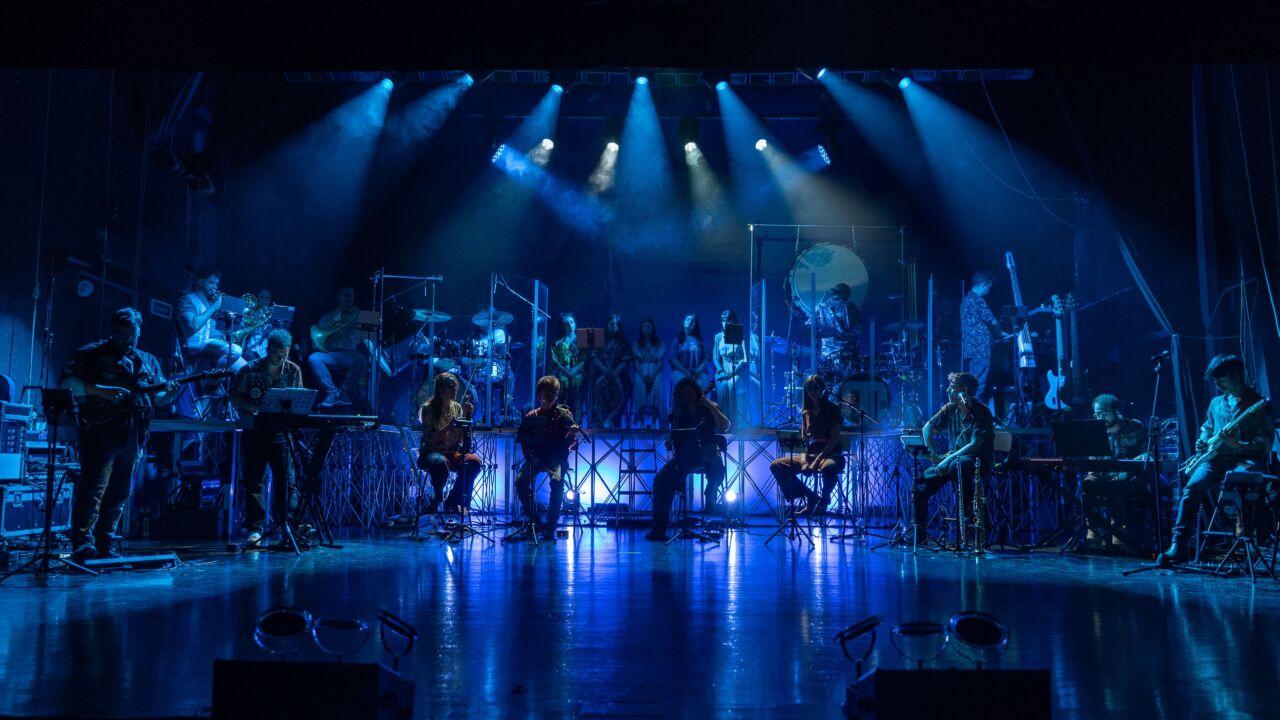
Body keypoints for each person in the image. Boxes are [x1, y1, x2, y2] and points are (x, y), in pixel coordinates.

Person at [60, 307, 178, 562]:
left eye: (132, 335)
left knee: (120, 492)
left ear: (139, 332)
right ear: (113, 331)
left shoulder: (148, 361)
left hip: (135, 433)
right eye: (122, 335)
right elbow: (67, 384)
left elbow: (157, 399)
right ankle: (82, 542)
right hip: (100, 431)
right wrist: (101, 390)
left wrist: (169, 394)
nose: (127, 341)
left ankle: (105, 541)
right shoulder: (90, 354)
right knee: (94, 488)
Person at [1161, 354, 1273, 564]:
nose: (1218, 385)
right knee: (1192, 488)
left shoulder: (1258, 404)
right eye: (1215, 381)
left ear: (1237, 375)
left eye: (1222, 380)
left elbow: (1265, 443)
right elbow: (1207, 427)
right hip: (1216, 459)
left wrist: (1239, 446)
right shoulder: (1216, 403)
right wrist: (1203, 439)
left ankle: (1244, 542)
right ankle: (1179, 544)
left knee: (1242, 481)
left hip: (1246, 459)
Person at [229, 329, 304, 545]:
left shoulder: (293, 370)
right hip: (255, 431)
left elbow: (298, 398)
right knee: (254, 481)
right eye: (276, 354)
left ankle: (287, 527)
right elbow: (233, 395)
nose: (280, 358)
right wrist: (253, 407)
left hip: (281, 432)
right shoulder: (250, 369)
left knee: (286, 481)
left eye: (284, 354)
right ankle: (255, 529)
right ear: (267, 350)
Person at [646, 377, 731, 540]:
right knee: (661, 480)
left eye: (690, 393)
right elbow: (674, 432)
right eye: (684, 394)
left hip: (708, 453)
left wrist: (708, 404)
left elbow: (725, 425)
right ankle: (659, 529)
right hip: (685, 456)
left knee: (716, 467)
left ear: (696, 393)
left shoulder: (708, 408)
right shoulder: (678, 413)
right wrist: (670, 439)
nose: (688, 397)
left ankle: (710, 496)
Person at [915, 372, 994, 540]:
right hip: (953, 459)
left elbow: (975, 444)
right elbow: (927, 428)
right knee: (921, 481)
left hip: (976, 459)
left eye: (952, 387)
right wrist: (932, 454)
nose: (947, 390)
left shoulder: (982, 412)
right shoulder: (950, 408)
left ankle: (968, 524)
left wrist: (948, 459)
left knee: (958, 465)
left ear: (964, 391)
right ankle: (918, 532)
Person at [514, 376, 582, 541]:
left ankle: (551, 527)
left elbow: (568, 445)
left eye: (555, 392)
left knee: (557, 482)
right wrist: (532, 458)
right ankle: (536, 522)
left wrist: (570, 434)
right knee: (521, 481)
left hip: (557, 458)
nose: (552, 395)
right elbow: (525, 442)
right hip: (537, 458)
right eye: (548, 392)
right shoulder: (532, 415)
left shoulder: (565, 415)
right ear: (540, 393)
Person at [768, 375, 845, 513]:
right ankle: (810, 495)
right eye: (809, 389)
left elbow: (834, 440)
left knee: (828, 468)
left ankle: (824, 501)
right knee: (776, 466)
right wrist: (804, 462)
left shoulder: (833, 409)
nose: (812, 392)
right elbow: (804, 441)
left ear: (822, 389)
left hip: (831, 454)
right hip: (811, 454)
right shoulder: (806, 413)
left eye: (815, 388)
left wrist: (817, 460)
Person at [1080, 393, 1148, 549]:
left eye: (1105, 413)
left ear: (1116, 411)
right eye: (1097, 414)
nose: (1100, 417)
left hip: (1129, 475)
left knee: (1115, 486)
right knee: (1087, 485)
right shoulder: (1094, 431)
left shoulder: (1135, 427)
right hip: (1101, 474)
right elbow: (1091, 460)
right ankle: (1093, 532)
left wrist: (1143, 456)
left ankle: (1118, 534)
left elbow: (1147, 452)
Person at [417, 372, 482, 514]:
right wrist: (450, 425)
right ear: (440, 389)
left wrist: (467, 417)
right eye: (450, 386)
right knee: (440, 462)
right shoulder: (428, 408)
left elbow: (461, 437)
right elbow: (431, 438)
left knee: (474, 462)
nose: (455, 389)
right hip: (431, 452)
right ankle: (438, 498)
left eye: (455, 386)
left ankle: (455, 500)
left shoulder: (457, 407)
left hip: (452, 452)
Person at [308, 287, 368, 407]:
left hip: (349, 353)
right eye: (345, 294)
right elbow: (316, 343)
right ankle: (332, 393)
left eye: (351, 295)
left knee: (362, 361)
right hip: (331, 353)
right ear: (338, 297)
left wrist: (356, 325)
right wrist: (330, 337)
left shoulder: (359, 315)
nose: (348, 297)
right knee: (313, 358)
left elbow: (366, 339)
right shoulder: (327, 317)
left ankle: (344, 392)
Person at [177, 268, 246, 371]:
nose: (215, 287)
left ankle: (216, 375)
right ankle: (212, 378)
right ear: (200, 282)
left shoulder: (211, 303)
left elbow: (220, 330)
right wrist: (215, 306)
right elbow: (192, 325)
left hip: (214, 345)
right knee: (235, 351)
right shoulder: (187, 299)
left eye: (216, 284)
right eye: (211, 283)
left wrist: (235, 321)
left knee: (247, 369)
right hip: (197, 344)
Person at [959, 271, 1001, 404]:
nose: (989, 290)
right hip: (981, 349)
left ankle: (975, 413)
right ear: (984, 285)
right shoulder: (977, 300)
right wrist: (999, 333)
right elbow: (993, 322)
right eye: (989, 287)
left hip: (971, 350)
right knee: (978, 387)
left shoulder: (965, 301)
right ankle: (972, 414)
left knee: (974, 384)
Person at [593, 313, 633, 428]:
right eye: (611, 323)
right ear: (607, 325)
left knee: (624, 387)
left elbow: (625, 360)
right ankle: (600, 419)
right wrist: (605, 370)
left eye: (616, 324)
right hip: (602, 371)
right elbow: (594, 357)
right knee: (598, 385)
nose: (614, 326)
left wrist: (615, 373)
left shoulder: (623, 342)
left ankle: (613, 418)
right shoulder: (599, 339)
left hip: (619, 373)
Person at [814, 282, 862, 373]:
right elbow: (859, 330)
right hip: (848, 352)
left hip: (827, 354)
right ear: (846, 294)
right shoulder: (850, 306)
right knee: (850, 379)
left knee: (829, 379)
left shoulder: (819, 307)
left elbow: (810, 327)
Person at [712, 310, 748, 428]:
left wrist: (733, 371)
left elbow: (744, 359)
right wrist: (721, 371)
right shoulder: (718, 337)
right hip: (722, 368)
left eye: (727, 321)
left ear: (733, 321)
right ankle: (722, 422)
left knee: (732, 385)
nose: (725, 323)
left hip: (736, 368)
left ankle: (735, 422)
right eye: (723, 321)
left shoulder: (740, 336)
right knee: (722, 386)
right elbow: (715, 357)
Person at [632, 318, 667, 429]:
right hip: (641, 371)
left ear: (652, 328)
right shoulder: (637, 344)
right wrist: (642, 375)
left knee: (656, 391)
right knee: (640, 390)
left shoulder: (659, 344)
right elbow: (636, 363)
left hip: (655, 371)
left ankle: (654, 422)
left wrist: (653, 375)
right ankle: (642, 422)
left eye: (648, 326)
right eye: (643, 327)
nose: (645, 329)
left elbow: (660, 363)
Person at [550, 312, 584, 421]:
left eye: (572, 322)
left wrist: (574, 369)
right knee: (561, 382)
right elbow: (554, 360)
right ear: (563, 326)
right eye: (566, 323)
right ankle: (561, 421)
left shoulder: (582, 340)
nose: (570, 325)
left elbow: (585, 359)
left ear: (575, 323)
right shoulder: (557, 343)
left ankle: (577, 423)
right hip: (562, 371)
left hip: (578, 371)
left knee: (577, 383)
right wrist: (563, 369)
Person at [670, 314, 709, 390]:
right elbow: (674, 360)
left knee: (696, 388)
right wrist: (686, 372)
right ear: (684, 322)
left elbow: (705, 358)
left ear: (695, 325)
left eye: (692, 321)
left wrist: (699, 370)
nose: (690, 321)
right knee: (686, 386)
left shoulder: (700, 342)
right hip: (680, 371)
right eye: (688, 319)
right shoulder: (676, 341)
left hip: (698, 373)